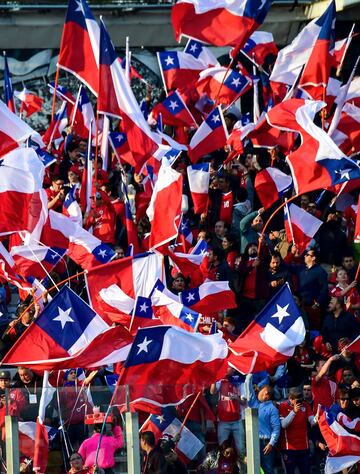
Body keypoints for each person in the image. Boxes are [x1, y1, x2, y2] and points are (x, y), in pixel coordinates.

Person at [279, 388, 317, 474]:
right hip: (289, 448)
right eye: (297, 399)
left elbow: (312, 421)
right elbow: (283, 425)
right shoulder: (283, 406)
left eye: (301, 399)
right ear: (290, 399)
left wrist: (317, 418)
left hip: (304, 447)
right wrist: (294, 412)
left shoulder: (305, 405)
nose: (300, 401)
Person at [210, 368, 246, 457]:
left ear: (234, 369)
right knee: (222, 448)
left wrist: (236, 398)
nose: (226, 368)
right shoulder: (220, 380)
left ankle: (243, 470)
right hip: (223, 421)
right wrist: (213, 379)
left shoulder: (240, 381)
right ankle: (223, 469)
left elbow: (244, 402)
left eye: (229, 367)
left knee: (241, 449)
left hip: (237, 421)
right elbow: (212, 391)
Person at [247, 381, 280, 474]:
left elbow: (276, 428)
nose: (258, 392)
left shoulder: (272, 409)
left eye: (260, 390)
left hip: (266, 443)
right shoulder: (255, 404)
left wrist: (271, 443)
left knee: (267, 470)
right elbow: (249, 390)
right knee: (254, 469)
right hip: (254, 441)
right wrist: (249, 375)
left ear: (266, 393)